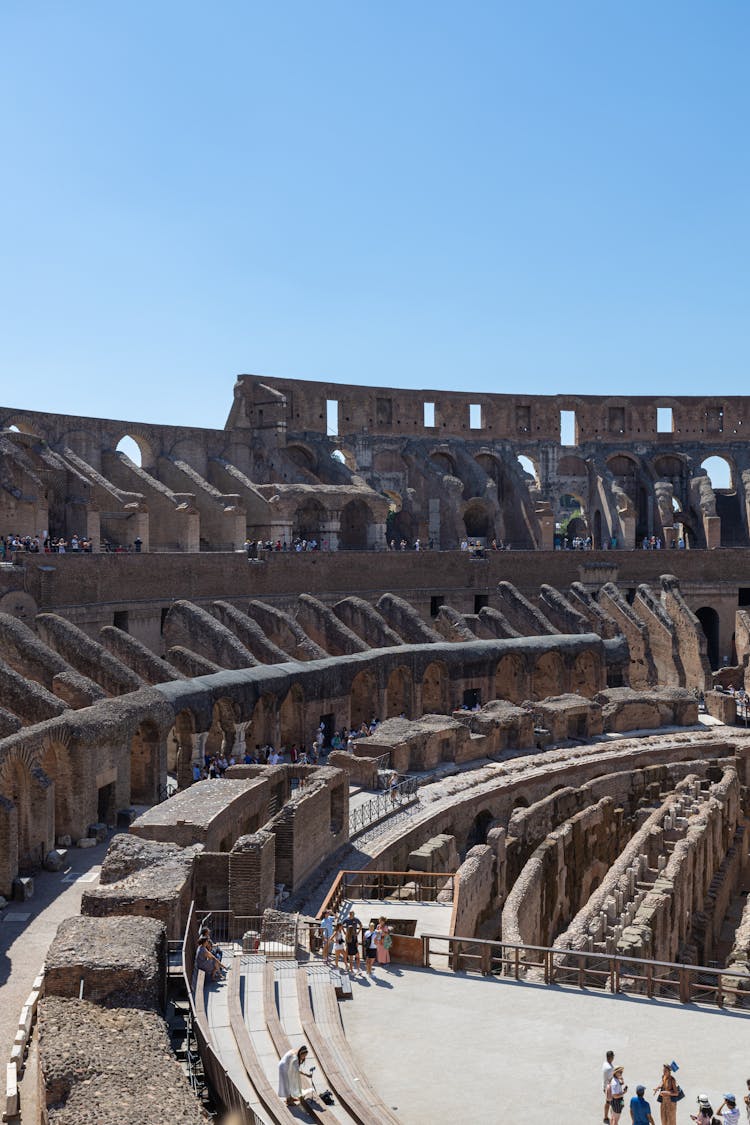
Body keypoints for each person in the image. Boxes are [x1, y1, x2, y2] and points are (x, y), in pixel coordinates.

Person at [602, 1051, 615, 1122]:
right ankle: (610, 1117)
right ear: (610, 1057)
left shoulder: (605, 1063)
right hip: (610, 1089)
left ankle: (606, 1117)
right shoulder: (609, 1068)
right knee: (611, 1103)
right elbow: (611, 1079)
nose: (613, 1058)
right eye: (613, 1056)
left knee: (608, 1102)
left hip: (605, 1086)